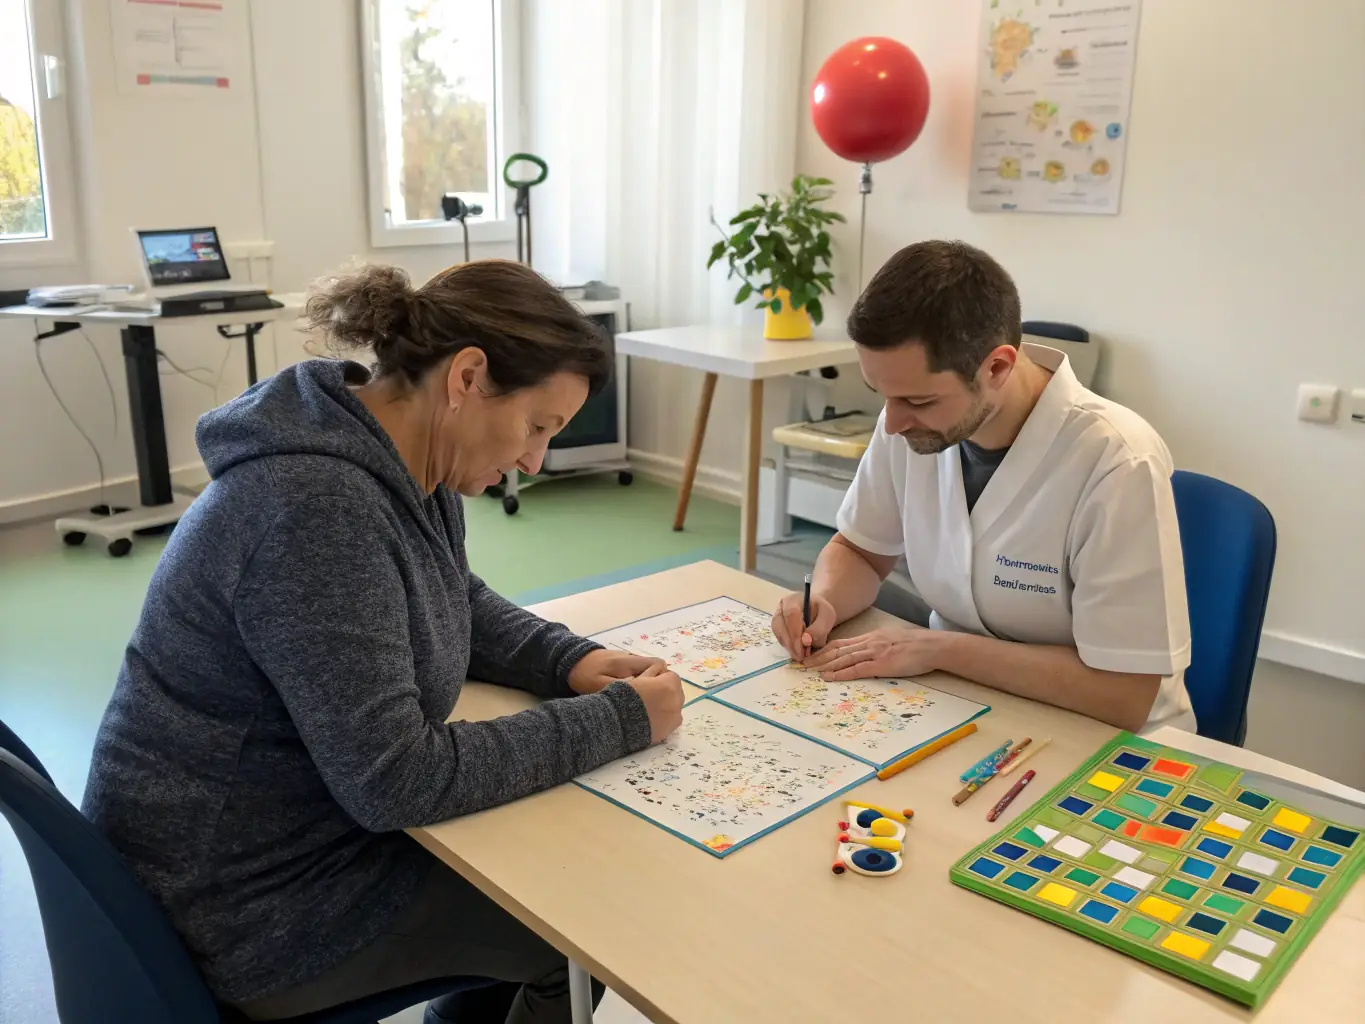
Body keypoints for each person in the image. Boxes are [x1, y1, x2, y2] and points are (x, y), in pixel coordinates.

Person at [82, 260, 685, 1024]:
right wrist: (625, 719)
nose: (534, 462)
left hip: (268, 842)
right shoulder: (316, 512)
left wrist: (565, 660)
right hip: (238, 907)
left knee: (545, 859)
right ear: (466, 377)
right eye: (537, 427)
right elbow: (397, 780)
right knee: (578, 921)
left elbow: (449, 596)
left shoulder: (398, 458)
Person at [771, 241, 1193, 733]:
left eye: (920, 400)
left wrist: (941, 648)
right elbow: (861, 551)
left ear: (996, 368)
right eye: (882, 395)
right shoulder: (909, 424)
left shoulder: (1117, 460)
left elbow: (1123, 694)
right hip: (964, 701)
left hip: (1110, 742)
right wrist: (823, 601)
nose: (892, 423)